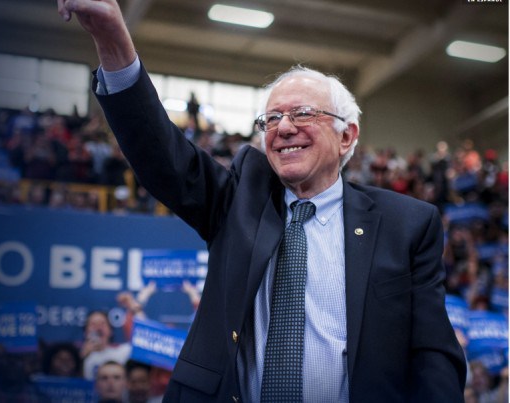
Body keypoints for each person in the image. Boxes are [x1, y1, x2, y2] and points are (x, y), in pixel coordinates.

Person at [57, 1, 466, 401]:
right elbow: (159, 152)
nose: (283, 127)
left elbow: (432, 352)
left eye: (303, 113)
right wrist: (113, 39)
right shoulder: (239, 198)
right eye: (271, 119)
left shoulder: (407, 223)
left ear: (347, 136)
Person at [81, 310, 131, 380]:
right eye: (93, 324)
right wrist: (81, 359)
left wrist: (136, 310)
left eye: (102, 323)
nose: (98, 328)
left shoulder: (124, 351)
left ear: (111, 331)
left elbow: (146, 342)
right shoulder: (77, 357)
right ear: (85, 332)